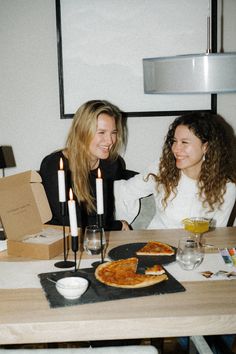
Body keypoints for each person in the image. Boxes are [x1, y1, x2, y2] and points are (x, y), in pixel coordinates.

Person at [115, 112, 236, 229]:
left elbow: (218, 234)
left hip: (197, 248)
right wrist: (119, 223)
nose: (176, 149)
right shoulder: (161, 169)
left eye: (184, 142)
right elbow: (125, 191)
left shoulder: (227, 187)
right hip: (157, 246)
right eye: (174, 141)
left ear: (206, 147)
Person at [40, 100, 137, 231]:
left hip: (101, 239)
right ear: (82, 132)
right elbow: (70, 221)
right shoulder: (55, 166)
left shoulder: (111, 163)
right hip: (65, 242)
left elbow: (131, 177)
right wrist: (117, 225)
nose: (110, 141)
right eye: (101, 132)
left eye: (113, 132)